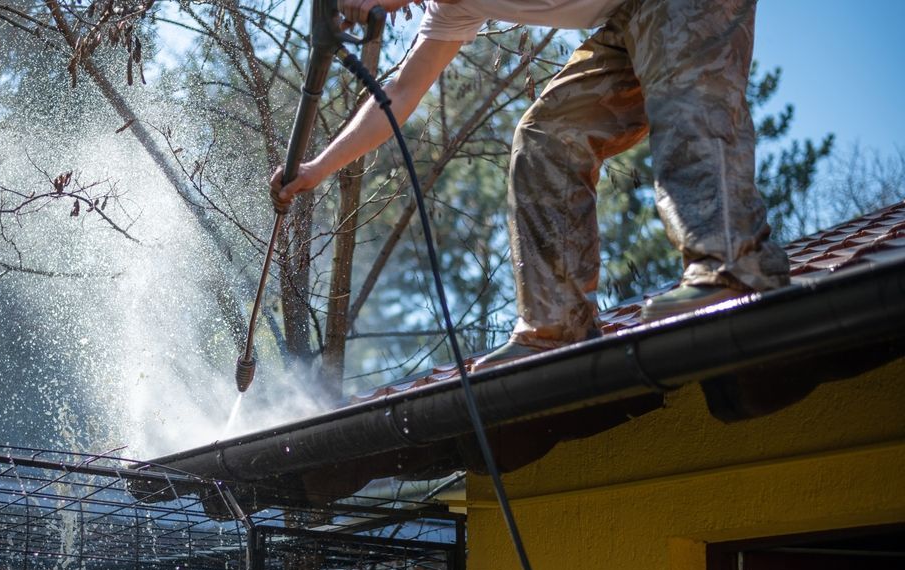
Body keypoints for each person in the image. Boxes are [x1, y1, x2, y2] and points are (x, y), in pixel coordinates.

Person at [271, 0, 790, 367]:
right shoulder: (451, 11)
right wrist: (316, 169)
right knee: (547, 135)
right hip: (629, 15)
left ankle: (732, 269)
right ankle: (556, 325)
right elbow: (400, 95)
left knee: (686, 95)